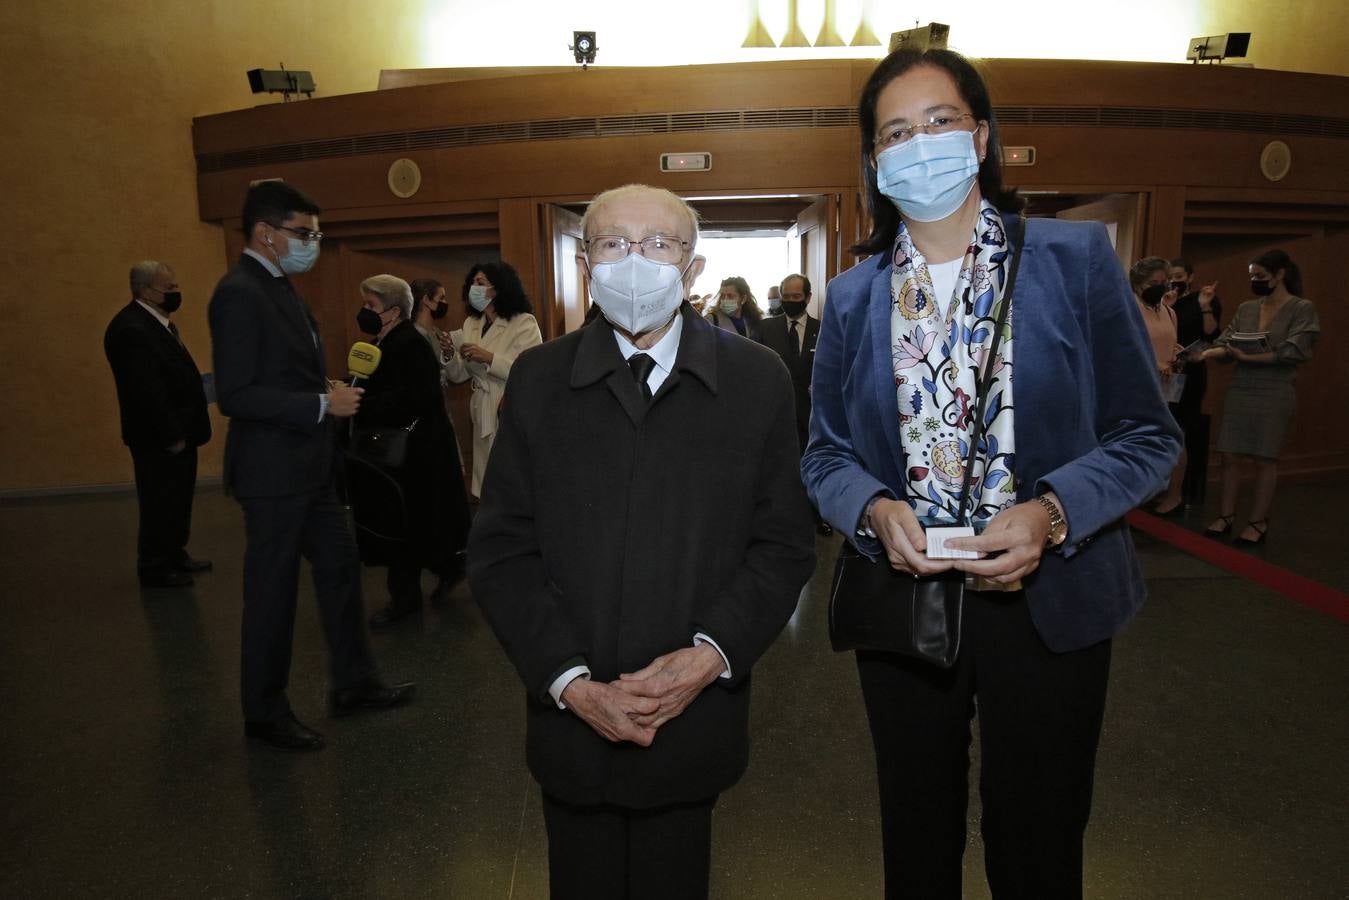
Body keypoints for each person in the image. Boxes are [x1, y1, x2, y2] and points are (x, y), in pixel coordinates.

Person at [800, 48, 1181, 899]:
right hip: (905, 598)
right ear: (873, 161)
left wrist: (1050, 513)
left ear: (979, 136)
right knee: (915, 831)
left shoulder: (1071, 258)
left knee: (1039, 835)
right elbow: (823, 453)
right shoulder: (853, 296)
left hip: (1051, 598)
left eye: (938, 121)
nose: (918, 143)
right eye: (894, 132)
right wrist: (871, 509)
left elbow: (1145, 438)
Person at [469, 183, 816, 900]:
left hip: (694, 715)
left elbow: (782, 543)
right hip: (571, 713)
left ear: (691, 269)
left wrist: (706, 656)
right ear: (586, 263)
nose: (636, 260)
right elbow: (502, 549)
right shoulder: (539, 379)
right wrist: (568, 680)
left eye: (659, 244)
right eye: (614, 243)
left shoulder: (756, 381)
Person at [208, 180, 414, 752]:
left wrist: (318, 388)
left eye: (316, 234)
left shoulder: (281, 288)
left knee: (342, 571)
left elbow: (278, 373)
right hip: (273, 474)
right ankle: (264, 712)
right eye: (303, 234)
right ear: (265, 233)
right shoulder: (239, 292)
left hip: (311, 468)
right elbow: (237, 394)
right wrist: (322, 404)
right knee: (272, 593)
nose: (311, 244)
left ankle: (353, 683)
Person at [352, 275, 473, 627]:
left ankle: (405, 600)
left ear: (392, 311)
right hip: (408, 454)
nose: (365, 312)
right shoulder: (384, 341)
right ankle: (449, 566)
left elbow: (417, 398)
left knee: (403, 527)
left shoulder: (408, 343)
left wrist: (362, 402)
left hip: (414, 456)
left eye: (371, 306)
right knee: (417, 525)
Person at [1198, 249, 1319, 545]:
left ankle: (1257, 521)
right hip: (1242, 387)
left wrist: (1249, 357)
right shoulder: (1247, 308)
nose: (1255, 281)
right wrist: (1205, 354)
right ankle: (1225, 515)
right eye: (1252, 276)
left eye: (1261, 277)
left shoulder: (1301, 308)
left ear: (1279, 275)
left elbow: (1295, 351)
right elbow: (1227, 342)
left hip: (1275, 389)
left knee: (1265, 457)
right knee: (1229, 454)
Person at [103, 261, 212, 587]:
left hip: (180, 430)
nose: (176, 293)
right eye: (169, 289)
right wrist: (172, 435)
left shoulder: (158, 323)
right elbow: (146, 392)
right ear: (145, 291)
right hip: (160, 437)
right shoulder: (132, 329)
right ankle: (154, 565)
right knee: (159, 500)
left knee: (178, 497)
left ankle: (175, 552)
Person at [443, 261, 542, 498]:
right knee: (484, 476)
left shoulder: (523, 322)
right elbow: (460, 375)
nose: (474, 288)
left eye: (480, 283)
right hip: (481, 403)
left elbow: (531, 372)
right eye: (472, 283)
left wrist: (489, 358)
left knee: (510, 474)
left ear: (498, 288)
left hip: (508, 403)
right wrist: (448, 355)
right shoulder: (471, 323)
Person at [757, 273, 830, 535]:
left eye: (796, 297)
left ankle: (817, 515)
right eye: (786, 297)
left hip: (812, 412)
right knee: (781, 467)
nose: (790, 302)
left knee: (813, 463)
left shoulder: (822, 328)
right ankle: (781, 518)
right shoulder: (766, 328)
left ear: (808, 298)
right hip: (777, 410)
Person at [1155, 258, 1223, 514]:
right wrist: (1166, 305)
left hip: (1190, 374)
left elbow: (1211, 334)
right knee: (1160, 430)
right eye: (1170, 276)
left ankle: (1176, 495)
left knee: (1179, 430)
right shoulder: (1165, 302)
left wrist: (1205, 306)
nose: (1175, 280)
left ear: (1190, 277)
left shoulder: (1203, 300)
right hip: (1165, 373)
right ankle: (1159, 490)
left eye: (1180, 275)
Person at [704, 275, 763, 341]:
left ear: (743, 299)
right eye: (723, 296)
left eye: (730, 296)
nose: (725, 300)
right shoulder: (711, 320)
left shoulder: (753, 320)